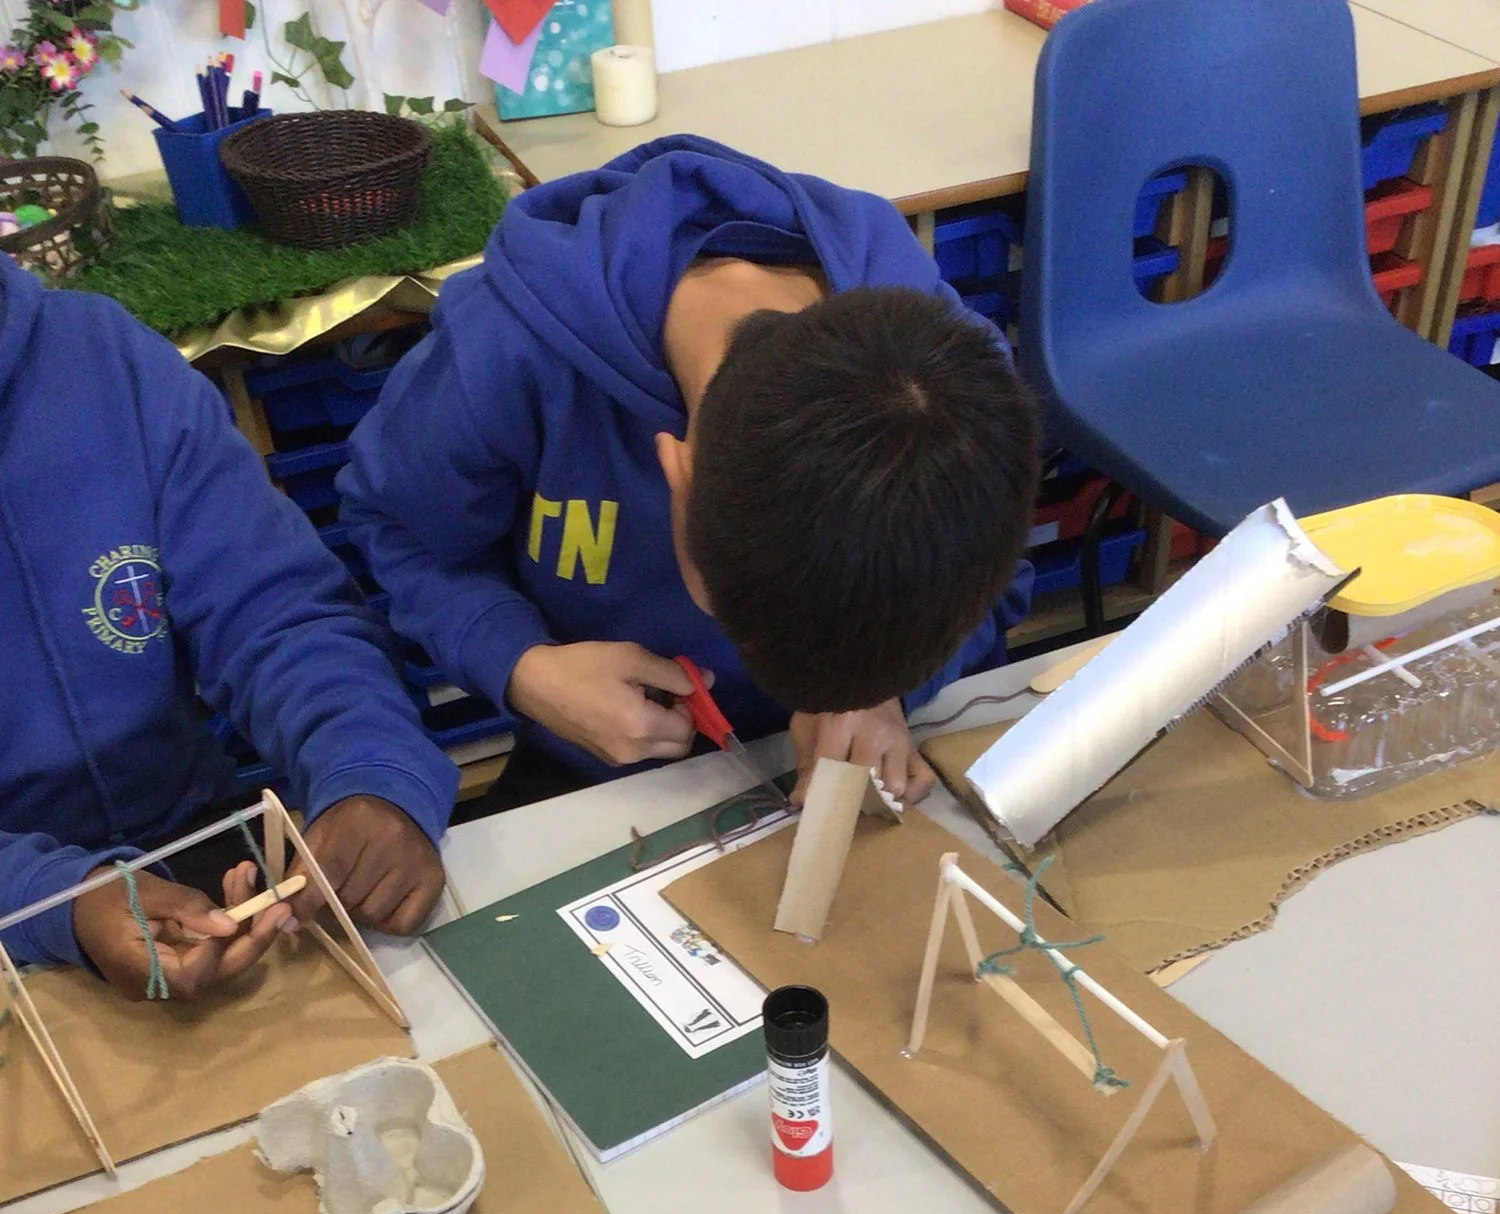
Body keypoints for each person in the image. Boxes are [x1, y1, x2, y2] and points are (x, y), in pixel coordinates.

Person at [340, 134, 1039, 809]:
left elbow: (994, 582)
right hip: (602, 759)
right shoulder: (501, 355)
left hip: (853, 739)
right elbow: (400, 533)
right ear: (677, 467)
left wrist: (883, 693)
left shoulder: (951, 388)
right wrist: (524, 668)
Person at [0, 255, 458, 999]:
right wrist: (58, 904)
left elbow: (276, 611)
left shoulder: (102, 359)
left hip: (195, 840)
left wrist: (372, 770)